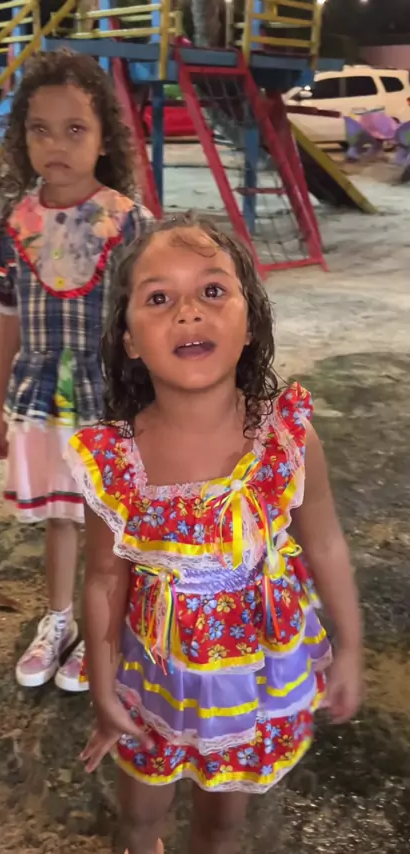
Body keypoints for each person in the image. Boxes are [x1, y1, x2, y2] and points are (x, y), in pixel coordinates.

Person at [67, 213, 363, 854]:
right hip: (153, 675)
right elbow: (103, 579)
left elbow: (326, 544)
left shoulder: (287, 440)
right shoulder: (113, 464)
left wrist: (351, 647)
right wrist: (102, 687)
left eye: (212, 290)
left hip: (252, 679)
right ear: (129, 339)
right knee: (140, 816)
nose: (189, 312)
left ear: (249, 322)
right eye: (159, 298)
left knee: (223, 823)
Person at [0, 50, 153, 693]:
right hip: (42, 400)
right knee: (60, 515)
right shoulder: (14, 226)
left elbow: (151, 321)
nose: (56, 144)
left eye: (75, 129)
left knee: (107, 518)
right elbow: (9, 321)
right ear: (23, 139)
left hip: (111, 400)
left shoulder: (129, 224)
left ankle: (107, 627)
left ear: (104, 138)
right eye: (40, 129)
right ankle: (58, 620)